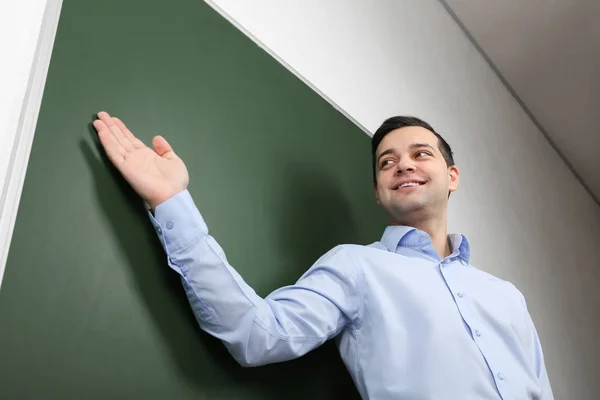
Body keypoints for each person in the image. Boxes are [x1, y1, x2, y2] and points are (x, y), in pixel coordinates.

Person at [93, 111, 553, 400]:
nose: (404, 165)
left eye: (420, 154)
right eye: (387, 162)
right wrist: (171, 201)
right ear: (377, 192)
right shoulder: (357, 267)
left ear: (451, 176)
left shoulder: (506, 296)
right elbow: (258, 335)